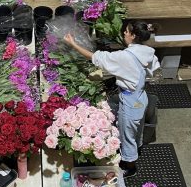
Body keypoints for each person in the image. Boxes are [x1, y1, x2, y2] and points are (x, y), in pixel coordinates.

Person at [64, 20, 160, 177]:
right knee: (137, 129)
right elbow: (154, 68)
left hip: (130, 102)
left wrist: (73, 43)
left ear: (134, 35)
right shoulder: (147, 51)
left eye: (127, 32)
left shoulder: (124, 57)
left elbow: (95, 57)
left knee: (126, 133)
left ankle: (130, 166)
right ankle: (137, 148)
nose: (124, 33)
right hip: (141, 97)